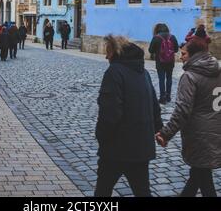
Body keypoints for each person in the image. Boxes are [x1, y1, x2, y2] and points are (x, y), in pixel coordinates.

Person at [95, 35, 162, 197]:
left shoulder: (114, 72)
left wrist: (101, 137)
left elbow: (110, 114)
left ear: (115, 52)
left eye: (108, 52)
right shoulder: (143, 72)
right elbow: (154, 105)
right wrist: (158, 129)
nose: (106, 56)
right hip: (141, 147)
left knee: (103, 191)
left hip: (117, 148)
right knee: (142, 192)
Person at [156, 39, 221, 197]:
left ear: (194, 55)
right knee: (199, 173)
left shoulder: (190, 76)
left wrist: (165, 133)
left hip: (199, 134)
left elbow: (182, 110)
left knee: (203, 179)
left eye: (184, 54)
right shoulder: (217, 72)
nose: (180, 57)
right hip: (215, 130)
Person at [149, 23, 179, 104]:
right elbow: (176, 49)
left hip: (160, 62)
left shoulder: (156, 37)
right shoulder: (172, 37)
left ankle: (162, 97)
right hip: (170, 61)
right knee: (169, 78)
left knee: (161, 79)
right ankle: (168, 96)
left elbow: (150, 50)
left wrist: (158, 50)